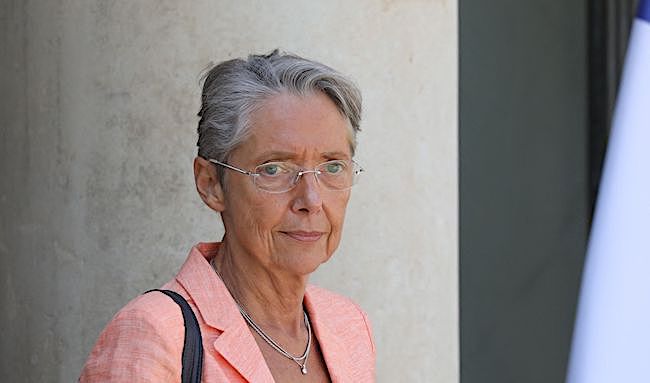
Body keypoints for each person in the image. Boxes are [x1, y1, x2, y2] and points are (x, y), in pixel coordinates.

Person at [79, 50, 375, 382]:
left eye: (332, 166)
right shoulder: (155, 335)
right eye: (274, 168)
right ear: (211, 185)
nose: (311, 199)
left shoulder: (348, 326)